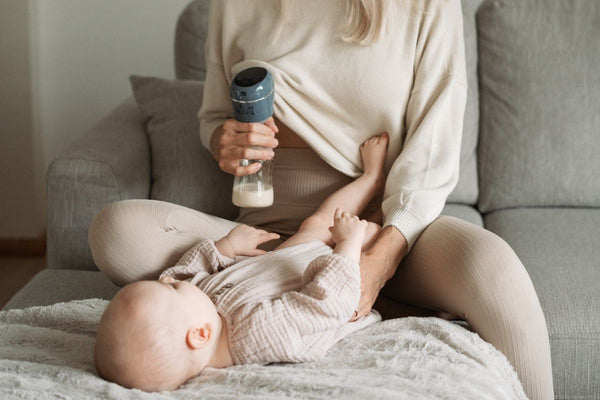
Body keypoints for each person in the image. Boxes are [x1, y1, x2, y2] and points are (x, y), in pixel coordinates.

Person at [88, 1, 554, 398]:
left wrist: (379, 258)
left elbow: (435, 146)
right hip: (269, 248)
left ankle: (376, 299)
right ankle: (371, 311)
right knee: (116, 231)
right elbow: (214, 115)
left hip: (380, 226)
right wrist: (223, 141)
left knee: (496, 272)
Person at [94, 135, 388, 391]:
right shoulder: (257, 335)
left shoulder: (196, 308)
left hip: (287, 259)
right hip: (333, 281)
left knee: (318, 223)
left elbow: (182, 272)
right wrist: (347, 246)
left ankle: (370, 179)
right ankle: (381, 204)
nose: (168, 280)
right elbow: (324, 306)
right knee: (370, 234)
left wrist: (225, 248)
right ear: (199, 335)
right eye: (171, 289)